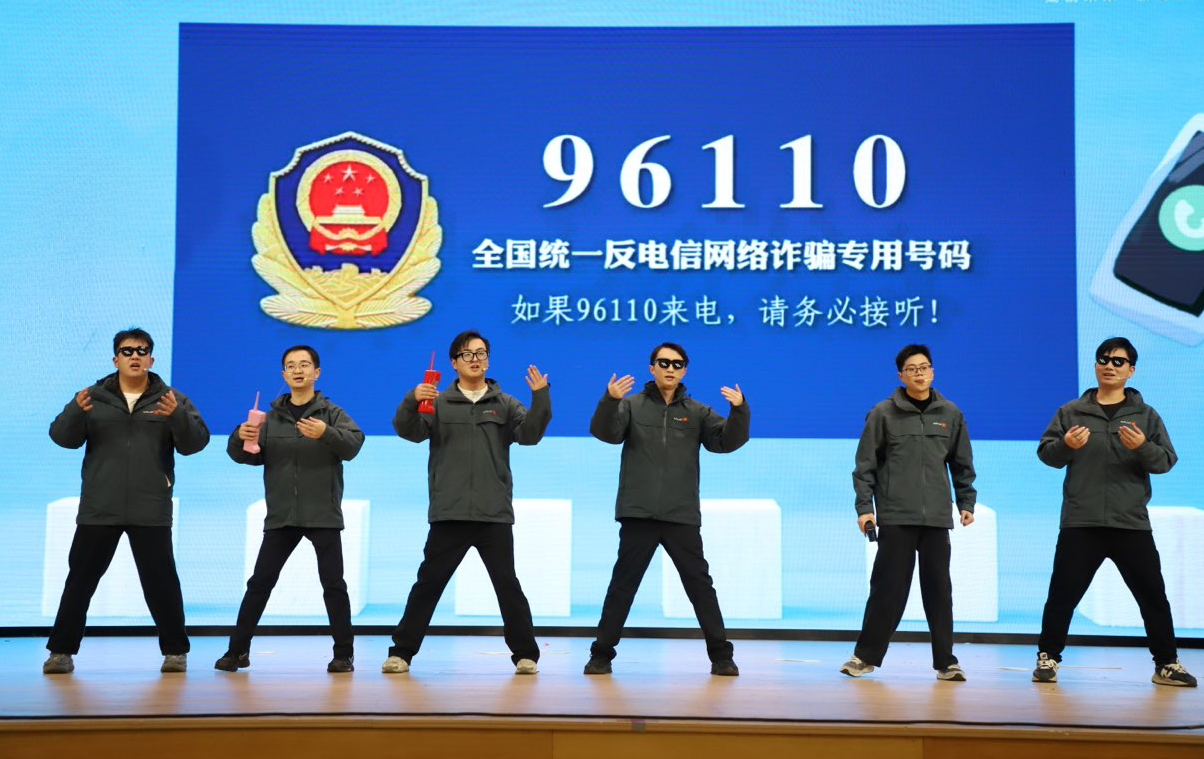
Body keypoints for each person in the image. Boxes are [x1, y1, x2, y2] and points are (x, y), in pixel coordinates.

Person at [382, 330, 551, 675]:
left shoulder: (505, 403)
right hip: (450, 512)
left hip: (493, 513)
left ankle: (526, 655)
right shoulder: (438, 402)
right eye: (467, 354)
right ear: (454, 362)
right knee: (428, 585)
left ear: (488, 359)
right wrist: (412, 399)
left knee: (507, 586)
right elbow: (409, 431)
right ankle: (401, 652)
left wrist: (540, 397)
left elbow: (530, 435)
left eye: (481, 353)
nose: (475, 359)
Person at [44, 328, 210, 674]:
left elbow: (195, 444)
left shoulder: (171, 399)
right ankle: (61, 652)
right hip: (99, 506)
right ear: (115, 359)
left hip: (150, 507)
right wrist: (75, 412)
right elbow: (62, 438)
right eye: (127, 350)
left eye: (142, 351)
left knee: (162, 583)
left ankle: (175, 652)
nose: (135, 356)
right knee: (80, 581)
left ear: (151, 359)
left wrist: (177, 417)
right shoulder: (91, 398)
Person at [1032, 337, 1195, 687]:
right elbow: (1046, 454)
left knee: (1153, 596)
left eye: (1118, 361)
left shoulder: (1146, 415)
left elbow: (1166, 461)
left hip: (1129, 522)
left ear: (1131, 370)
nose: (1109, 366)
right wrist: (1066, 445)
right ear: (1095, 365)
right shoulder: (1071, 411)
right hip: (1081, 520)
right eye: (1103, 359)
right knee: (1062, 595)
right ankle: (1048, 658)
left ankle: (1166, 664)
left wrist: (1143, 447)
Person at [584, 342, 749, 676]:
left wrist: (739, 410)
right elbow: (606, 433)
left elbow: (725, 442)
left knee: (700, 587)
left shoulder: (698, 411)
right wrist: (610, 400)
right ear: (652, 368)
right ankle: (601, 655)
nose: (670, 368)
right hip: (638, 512)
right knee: (622, 587)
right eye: (663, 363)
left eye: (677, 364)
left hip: (680, 514)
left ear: (684, 370)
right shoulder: (631, 405)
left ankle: (721, 656)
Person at [217, 345, 365, 673]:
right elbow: (245, 456)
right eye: (291, 366)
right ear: (283, 374)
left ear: (317, 372)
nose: (298, 370)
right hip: (282, 515)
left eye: (304, 365)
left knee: (334, 585)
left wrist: (326, 433)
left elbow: (354, 445)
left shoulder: (332, 413)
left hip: (322, 514)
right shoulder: (269, 418)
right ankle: (237, 651)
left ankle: (343, 655)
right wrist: (239, 437)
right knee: (259, 584)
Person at [843, 344, 976, 681]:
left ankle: (946, 661)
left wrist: (966, 502)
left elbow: (961, 463)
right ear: (901, 375)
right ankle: (864, 657)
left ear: (932, 371)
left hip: (936, 518)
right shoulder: (882, 413)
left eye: (925, 367)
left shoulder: (951, 413)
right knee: (887, 590)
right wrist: (865, 509)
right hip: (896, 516)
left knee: (939, 592)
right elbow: (865, 467)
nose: (920, 373)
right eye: (912, 369)